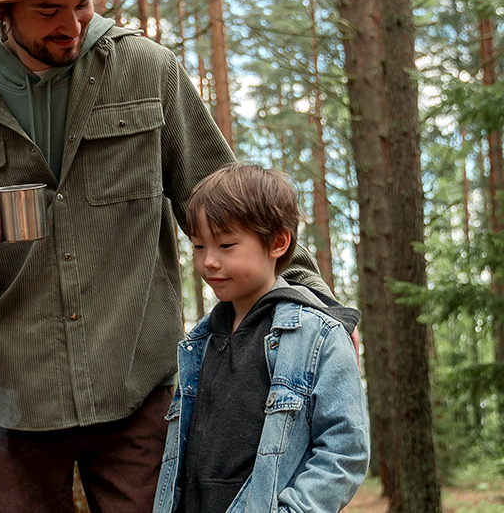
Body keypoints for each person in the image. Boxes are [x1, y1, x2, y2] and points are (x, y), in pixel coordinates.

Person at [0, 0, 339, 513]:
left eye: (84, 3)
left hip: (136, 387)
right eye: (49, 10)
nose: (71, 25)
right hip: (6, 404)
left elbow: (230, 200)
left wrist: (317, 311)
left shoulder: (148, 72)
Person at [153, 163, 369, 513]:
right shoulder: (200, 342)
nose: (209, 261)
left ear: (278, 242)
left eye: (226, 245)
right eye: (197, 246)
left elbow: (345, 451)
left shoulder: (320, 337)